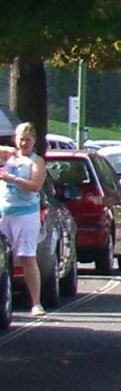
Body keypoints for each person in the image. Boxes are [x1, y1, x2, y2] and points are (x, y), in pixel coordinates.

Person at [1, 123, 49, 317]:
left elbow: (35, 185)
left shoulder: (36, 161)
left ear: (34, 141)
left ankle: (36, 302)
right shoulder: (9, 156)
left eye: (28, 140)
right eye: (21, 139)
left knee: (26, 257)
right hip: (5, 213)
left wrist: (13, 179)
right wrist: (9, 150)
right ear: (15, 139)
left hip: (26, 214)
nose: (24, 143)